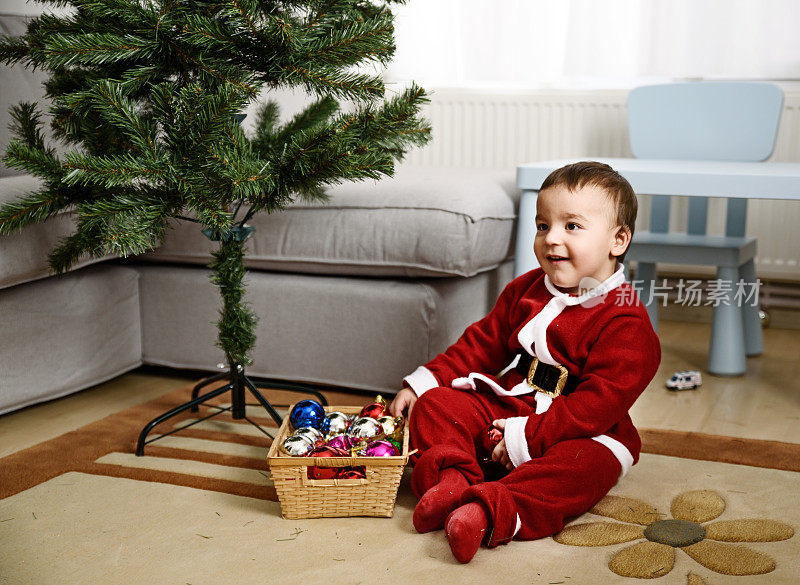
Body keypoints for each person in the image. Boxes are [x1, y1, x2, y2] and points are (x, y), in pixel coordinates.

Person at [389, 161, 661, 563]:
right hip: (514, 404)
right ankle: (453, 481)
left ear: (617, 240)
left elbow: (597, 405)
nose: (551, 239)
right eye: (542, 225)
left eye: (572, 226)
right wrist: (424, 382)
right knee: (437, 406)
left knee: (581, 468)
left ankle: (490, 510)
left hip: (582, 430)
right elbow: (481, 345)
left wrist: (530, 437)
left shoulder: (627, 322)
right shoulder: (526, 290)